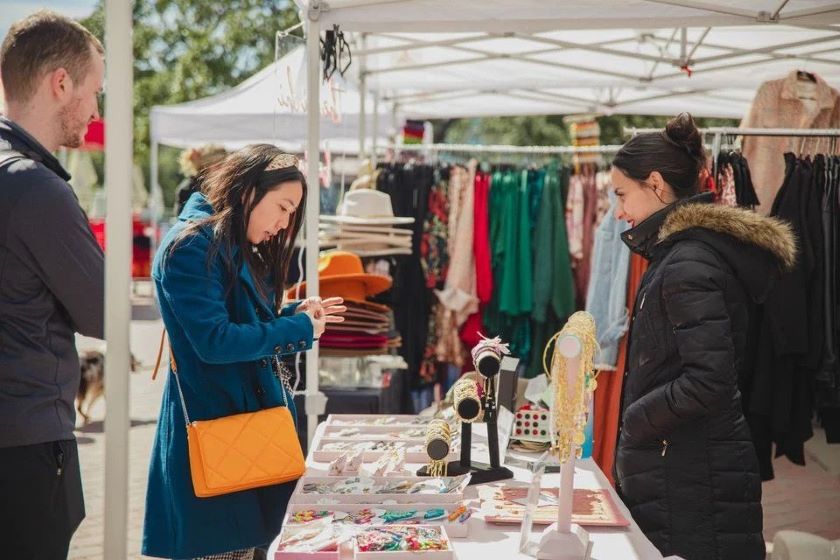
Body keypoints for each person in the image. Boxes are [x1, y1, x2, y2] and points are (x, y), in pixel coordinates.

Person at [143, 144, 345, 560]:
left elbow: (239, 319)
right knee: (223, 547)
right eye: (283, 207)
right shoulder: (191, 246)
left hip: (244, 430)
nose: (285, 223)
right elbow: (215, 341)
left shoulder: (219, 239)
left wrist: (293, 314)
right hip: (218, 433)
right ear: (250, 191)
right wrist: (296, 327)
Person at [610, 113, 796, 560]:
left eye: (621, 194)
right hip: (686, 467)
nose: (619, 211)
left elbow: (708, 380)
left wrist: (635, 419)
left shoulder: (688, 262)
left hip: (690, 473)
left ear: (655, 183)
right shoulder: (682, 254)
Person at [0, 11, 105, 559]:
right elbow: (104, 310)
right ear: (60, 83)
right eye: (94, 92)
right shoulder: (35, 186)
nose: (95, 111)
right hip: (25, 444)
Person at [174, 144, 227, 217]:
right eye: (217, 164)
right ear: (207, 165)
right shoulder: (187, 189)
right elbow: (182, 219)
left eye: (223, 163)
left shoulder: (227, 185)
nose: (220, 168)